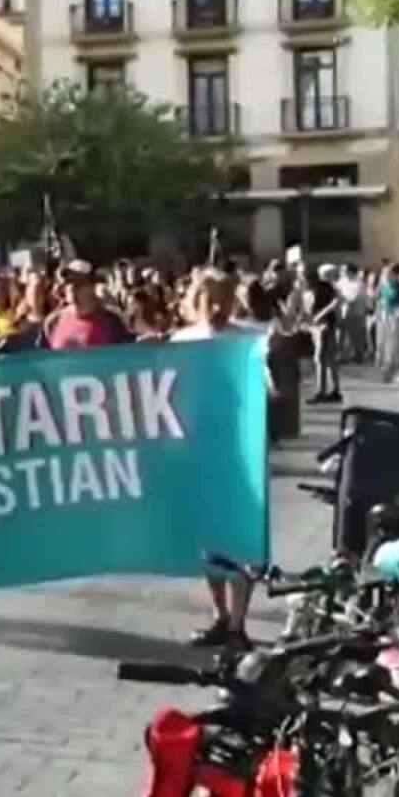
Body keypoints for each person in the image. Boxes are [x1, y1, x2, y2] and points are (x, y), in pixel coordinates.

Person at [170, 270, 260, 645]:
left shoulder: (247, 340)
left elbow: (266, 393)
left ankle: (239, 623)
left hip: (240, 453)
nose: (219, 308)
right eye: (211, 300)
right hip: (199, 452)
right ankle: (220, 615)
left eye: (225, 299)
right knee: (208, 542)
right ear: (197, 302)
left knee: (242, 538)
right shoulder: (183, 341)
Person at [44, 260, 131, 349]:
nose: (72, 287)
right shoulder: (53, 321)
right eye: (68, 282)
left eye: (79, 283)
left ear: (92, 286)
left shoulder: (112, 322)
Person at [306, 266, 343, 404]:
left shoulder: (325, 287)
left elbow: (335, 302)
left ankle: (321, 392)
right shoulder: (314, 289)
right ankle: (335, 390)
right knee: (329, 360)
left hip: (324, 325)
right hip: (319, 326)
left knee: (320, 359)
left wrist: (320, 315)